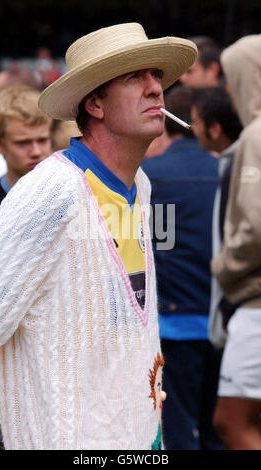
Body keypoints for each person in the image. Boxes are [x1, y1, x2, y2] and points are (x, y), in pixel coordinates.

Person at [0, 23, 197, 450]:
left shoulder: (143, 186)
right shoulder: (52, 192)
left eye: (156, 75)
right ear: (94, 103)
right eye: (135, 77)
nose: (155, 87)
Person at [142, 85, 222, 450]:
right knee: (218, 431)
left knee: (176, 432)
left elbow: (146, 250)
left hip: (174, 326)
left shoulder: (149, 176)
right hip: (226, 322)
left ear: (165, 123)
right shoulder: (228, 170)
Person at [0, 85, 52, 422]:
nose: (36, 151)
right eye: (23, 143)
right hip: (0, 381)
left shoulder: (75, 202)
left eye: (43, 139)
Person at [211, 35, 261, 450]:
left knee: (231, 420)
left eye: (231, 76)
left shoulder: (257, 135)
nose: (227, 88)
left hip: (255, 301)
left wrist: (223, 266)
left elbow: (257, 225)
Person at [191, 87, 243, 347]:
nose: (192, 128)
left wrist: (222, 266)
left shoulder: (237, 167)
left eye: (197, 122)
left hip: (235, 312)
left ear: (215, 130)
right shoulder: (228, 164)